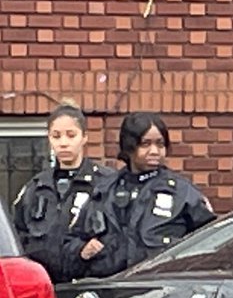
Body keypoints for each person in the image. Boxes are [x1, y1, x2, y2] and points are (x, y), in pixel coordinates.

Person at [98, 112, 216, 272]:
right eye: (145, 144)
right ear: (129, 147)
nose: (154, 151)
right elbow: (75, 239)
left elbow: (211, 241)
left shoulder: (183, 193)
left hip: (163, 286)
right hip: (110, 286)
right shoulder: (105, 189)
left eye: (160, 144)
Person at [10, 104, 114, 283]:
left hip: (90, 286)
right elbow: (17, 237)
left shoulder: (105, 183)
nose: (63, 143)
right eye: (56, 136)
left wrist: (84, 251)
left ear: (84, 137)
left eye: (71, 135)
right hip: (42, 285)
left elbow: (117, 238)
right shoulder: (35, 187)